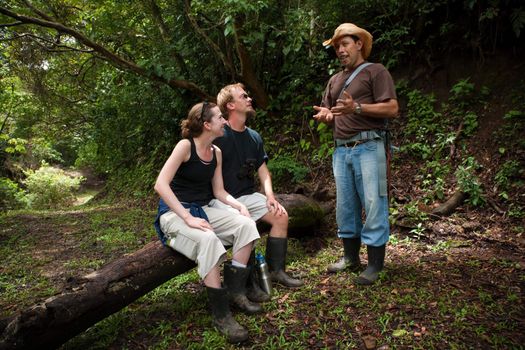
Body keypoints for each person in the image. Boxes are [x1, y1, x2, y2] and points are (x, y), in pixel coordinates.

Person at [154, 102, 261, 343]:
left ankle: (235, 292)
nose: (224, 121)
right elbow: (160, 184)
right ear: (206, 124)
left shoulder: (216, 152)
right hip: (175, 213)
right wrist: (187, 217)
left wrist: (238, 205)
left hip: (204, 207)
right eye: (220, 117)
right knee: (208, 239)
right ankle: (221, 316)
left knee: (246, 225)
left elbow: (220, 191)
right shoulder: (185, 146)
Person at [313, 23, 399, 285]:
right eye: (337, 46)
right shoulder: (334, 80)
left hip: (369, 147)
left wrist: (357, 107)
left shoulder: (376, 71)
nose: (340, 50)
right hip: (341, 150)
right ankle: (351, 258)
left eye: (345, 44)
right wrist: (326, 116)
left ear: (359, 44)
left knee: (374, 204)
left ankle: (375, 264)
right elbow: (329, 113)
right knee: (346, 206)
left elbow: (392, 108)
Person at [211, 83, 304, 294]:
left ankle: (276, 271)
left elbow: (263, 171)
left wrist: (270, 196)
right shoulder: (219, 136)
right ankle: (246, 284)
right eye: (244, 96)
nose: (249, 99)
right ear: (231, 105)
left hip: (247, 196)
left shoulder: (254, 137)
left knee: (281, 215)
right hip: (223, 201)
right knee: (246, 226)